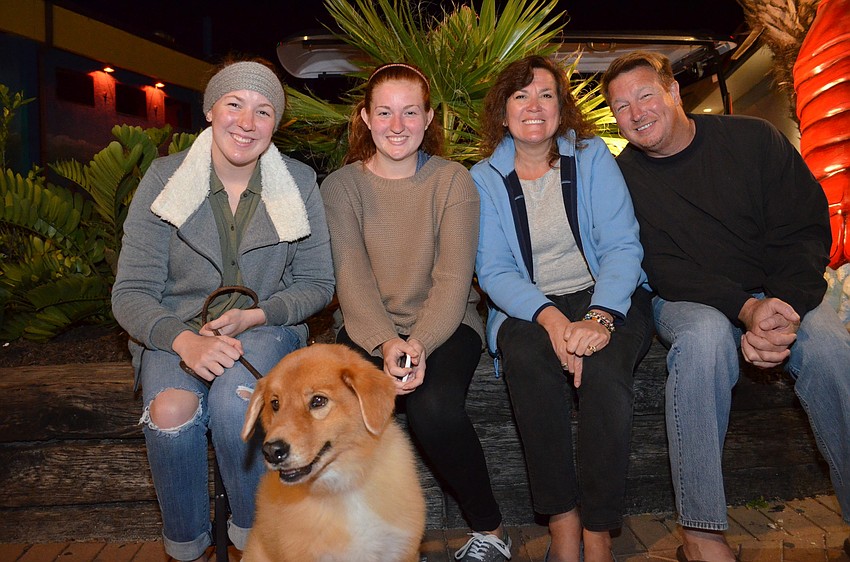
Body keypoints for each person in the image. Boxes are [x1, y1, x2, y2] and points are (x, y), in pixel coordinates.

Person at [600, 50, 850, 562]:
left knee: (831, 349)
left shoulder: (754, 139)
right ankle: (702, 535)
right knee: (703, 343)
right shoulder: (621, 178)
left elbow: (803, 227)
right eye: (621, 107)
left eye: (645, 94)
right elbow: (661, 264)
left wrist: (782, 304)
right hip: (690, 299)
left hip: (782, 290)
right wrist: (744, 309)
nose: (637, 112)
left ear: (672, 92)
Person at [111, 57, 335, 562]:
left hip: (267, 327)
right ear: (211, 110)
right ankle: (187, 547)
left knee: (239, 402)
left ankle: (257, 541)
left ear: (275, 124)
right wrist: (183, 340)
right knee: (170, 411)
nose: (247, 122)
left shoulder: (298, 182)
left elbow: (318, 282)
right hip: (177, 328)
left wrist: (258, 315)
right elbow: (130, 292)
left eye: (263, 112)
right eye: (234, 104)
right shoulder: (164, 179)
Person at [321, 62, 511, 562]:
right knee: (343, 413)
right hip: (365, 327)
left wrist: (417, 346)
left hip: (447, 325)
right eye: (384, 112)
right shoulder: (341, 188)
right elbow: (352, 279)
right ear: (365, 117)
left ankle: (489, 530)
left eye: (410, 112)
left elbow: (453, 279)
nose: (397, 125)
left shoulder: (452, 182)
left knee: (434, 410)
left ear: (429, 118)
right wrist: (386, 344)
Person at [471, 55, 654, 562]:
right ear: (503, 112)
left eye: (546, 95)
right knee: (528, 363)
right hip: (529, 305)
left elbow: (622, 246)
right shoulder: (483, 178)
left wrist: (598, 317)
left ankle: (598, 531)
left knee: (604, 368)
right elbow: (494, 270)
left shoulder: (592, 157)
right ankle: (563, 522)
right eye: (520, 95)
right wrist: (552, 320)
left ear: (561, 107)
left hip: (606, 294)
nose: (534, 106)